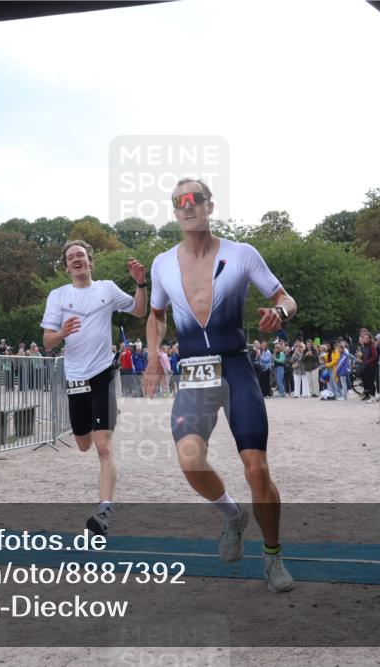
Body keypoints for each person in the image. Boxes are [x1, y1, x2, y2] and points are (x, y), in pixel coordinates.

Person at [142, 178, 296, 593]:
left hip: (236, 365)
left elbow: (285, 297)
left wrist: (280, 314)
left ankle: (272, 555)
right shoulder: (161, 264)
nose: (187, 206)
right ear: (174, 212)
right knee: (190, 461)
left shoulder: (241, 254)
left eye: (195, 199)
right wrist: (154, 355)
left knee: (257, 468)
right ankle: (231, 515)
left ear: (210, 206)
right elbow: (155, 316)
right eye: (179, 202)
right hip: (194, 369)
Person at [41, 239, 147, 535]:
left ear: (90, 261)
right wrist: (62, 332)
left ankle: (103, 512)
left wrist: (141, 283)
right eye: (71, 257)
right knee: (84, 444)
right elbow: (47, 342)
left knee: (102, 446)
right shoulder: (58, 295)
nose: (77, 260)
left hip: (103, 374)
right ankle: (100, 422)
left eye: (81, 256)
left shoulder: (107, 289)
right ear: (66, 266)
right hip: (75, 378)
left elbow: (140, 311)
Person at [359, 332, 378, 402]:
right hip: (366, 366)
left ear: (370, 339)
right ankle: (368, 396)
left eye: (367, 338)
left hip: (371, 367)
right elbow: (365, 356)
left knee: (371, 382)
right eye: (364, 338)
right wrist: (361, 357)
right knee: (367, 382)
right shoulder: (364, 346)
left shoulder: (372, 346)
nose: (365, 339)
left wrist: (367, 362)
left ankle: (372, 397)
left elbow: (375, 356)